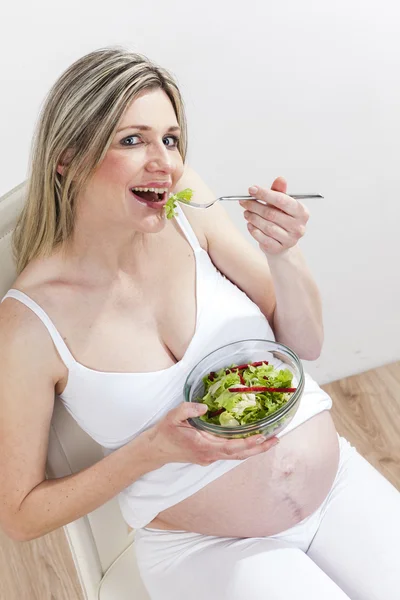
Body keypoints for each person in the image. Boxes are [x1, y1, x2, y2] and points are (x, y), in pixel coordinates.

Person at [0, 47, 398, 600]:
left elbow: (305, 342)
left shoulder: (192, 210)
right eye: (133, 140)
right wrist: (152, 449)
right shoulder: (28, 325)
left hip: (336, 486)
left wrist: (283, 256)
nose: (165, 162)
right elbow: (20, 517)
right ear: (67, 158)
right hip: (206, 547)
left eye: (171, 138)